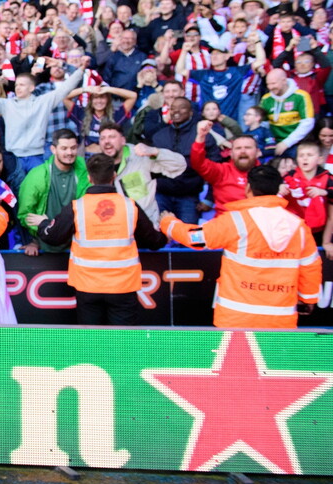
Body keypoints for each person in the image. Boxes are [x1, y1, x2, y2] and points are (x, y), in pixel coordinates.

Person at [160, 165, 322, 328]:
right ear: (276, 188)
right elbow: (310, 266)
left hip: (235, 318)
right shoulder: (298, 227)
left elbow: (195, 239)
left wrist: (168, 223)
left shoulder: (236, 221)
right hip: (280, 318)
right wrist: (308, 299)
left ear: (248, 188)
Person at [27, 153, 168, 324]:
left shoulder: (77, 207)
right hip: (122, 286)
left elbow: (53, 236)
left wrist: (43, 224)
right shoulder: (129, 206)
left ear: (89, 178)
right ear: (114, 176)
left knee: (92, 344)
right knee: (123, 344)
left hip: (88, 286)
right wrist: (166, 230)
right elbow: (154, 241)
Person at [0, 54, 87, 173]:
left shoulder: (43, 102)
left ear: (32, 88)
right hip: (14, 157)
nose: (18, 88)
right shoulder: (6, 104)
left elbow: (66, 88)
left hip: (36, 156)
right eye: (17, 85)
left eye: (22, 85)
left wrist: (80, 67)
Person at [98, 122, 187, 227]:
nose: (106, 141)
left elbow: (180, 165)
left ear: (123, 140)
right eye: (102, 138)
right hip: (117, 228)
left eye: (112, 137)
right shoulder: (97, 165)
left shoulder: (141, 156)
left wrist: (155, 151)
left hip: (146, 225)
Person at [17, 129, 90, 255]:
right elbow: (25, 214)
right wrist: (38, 235)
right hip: (44, 244)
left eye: (73, 148)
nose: (69, 152)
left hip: (77, 244)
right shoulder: (37, 175)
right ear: (53, 149)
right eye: (64, 148)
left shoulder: (85, 172)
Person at [191, 119, 261, 216]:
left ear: (258, 152)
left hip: (256, 225)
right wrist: (200, 137)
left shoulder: (267, 175)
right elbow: (198, 163)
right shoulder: (221, 171)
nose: (243, 151)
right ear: (231, 153)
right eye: (238, 148)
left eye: (248, 148)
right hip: (226, 226)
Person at [261, 69, 315, 157]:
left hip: (296, 144)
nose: (270, 87)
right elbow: (264, 124)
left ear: (284, 81)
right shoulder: (266, 99)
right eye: (268, 84)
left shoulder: (301, 96)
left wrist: (286, 143)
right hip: (274, 145)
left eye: (273, 83)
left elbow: (308, 123)